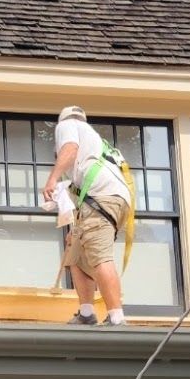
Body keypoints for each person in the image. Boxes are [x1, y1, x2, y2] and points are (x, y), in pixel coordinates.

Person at [42, 105, 132, 326]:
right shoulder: (94, 148)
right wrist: (74, 229)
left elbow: (69, 148)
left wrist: (52, 178)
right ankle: (86, 312)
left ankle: (116, 317)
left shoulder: (67, 126)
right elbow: (75, 198)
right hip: (106, 200)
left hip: (103, 198)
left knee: (99, 254)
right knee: (76, 253)